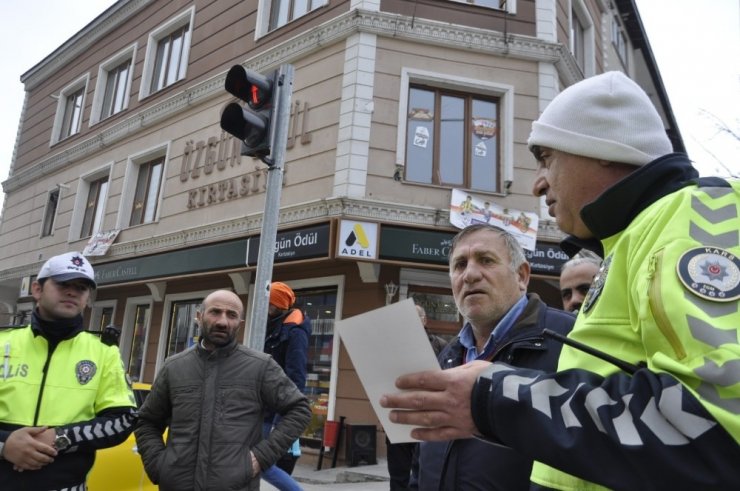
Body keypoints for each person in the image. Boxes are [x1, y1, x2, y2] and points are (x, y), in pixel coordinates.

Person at [380, 71, 740, 490]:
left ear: (604, 145)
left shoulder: (689, 217)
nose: (537, 183)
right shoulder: (632, 241)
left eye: (546, 157)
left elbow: (716, 420)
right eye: (458, 265)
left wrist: (492, 399)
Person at [413, 224, 575, 490]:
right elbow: (422, 455)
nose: (470, 275)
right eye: (460, 265)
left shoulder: (569, 339)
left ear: (522, 276)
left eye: (486, 260)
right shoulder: (449, 355)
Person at [134, 289, 311, 490]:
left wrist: (262, 457)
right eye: (215, 312)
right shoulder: (173, 367)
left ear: (240, 324)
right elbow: (147, 421)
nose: (222, 321)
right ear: (199, 316)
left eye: (232, 315)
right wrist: (158, 465)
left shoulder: (260, 366)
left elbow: (300, 409)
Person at [0, 251, 137, 490]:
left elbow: (123, 420)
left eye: (81, 288)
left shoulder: (104, 351)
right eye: (63, 284)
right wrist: (5, 444)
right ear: (37, 289)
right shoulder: (3, 342)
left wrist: (60, 437)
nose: (72, 292)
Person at [386, 303, 450, 490]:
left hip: (427, 419)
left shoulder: (441, 346)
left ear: (424, 321)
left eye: (415, 318)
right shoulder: (394, 347)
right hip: (398, 418)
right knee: (398, 474)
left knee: (423, 472)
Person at [261, 282, 311, 490]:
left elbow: (296, 377)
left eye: (268, 303)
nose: (264, 308)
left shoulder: (294, 332)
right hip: (264, 408)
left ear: (276, 306)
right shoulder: (273, 326)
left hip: (275, 411)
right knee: (255, 462)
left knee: (260, 462)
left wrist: (283, 419)